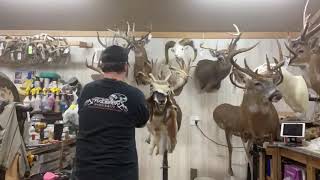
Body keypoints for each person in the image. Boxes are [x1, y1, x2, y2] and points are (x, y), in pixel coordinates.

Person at [75, 45, 149, 180]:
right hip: (121, 172)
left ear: (102, 66)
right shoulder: (134, 95)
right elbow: (141, 122)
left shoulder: (87, 90)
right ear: (126, 67)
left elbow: (83, 115)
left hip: (86, 171)